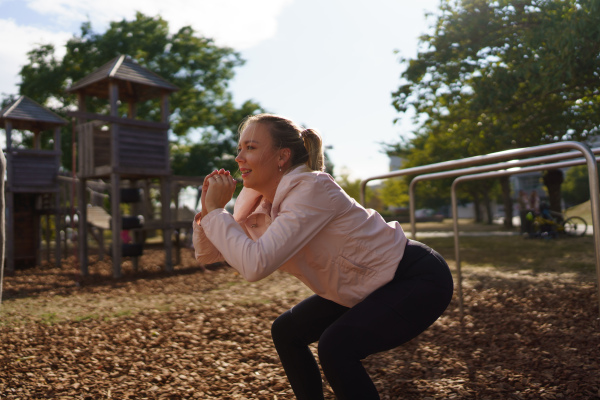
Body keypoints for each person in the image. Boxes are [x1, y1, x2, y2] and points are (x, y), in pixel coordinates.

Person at [192, 113, 453, 400]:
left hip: (415, 277)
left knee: (337, 345)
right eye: (239, 148)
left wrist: (218, 213)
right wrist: (209, 210)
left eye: (250, 148)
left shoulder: (312, 189)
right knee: (287, 331)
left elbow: (255, 266)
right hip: (367, 284)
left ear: (282, 156)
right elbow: (210, 253)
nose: (239, 157)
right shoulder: (259, 204)